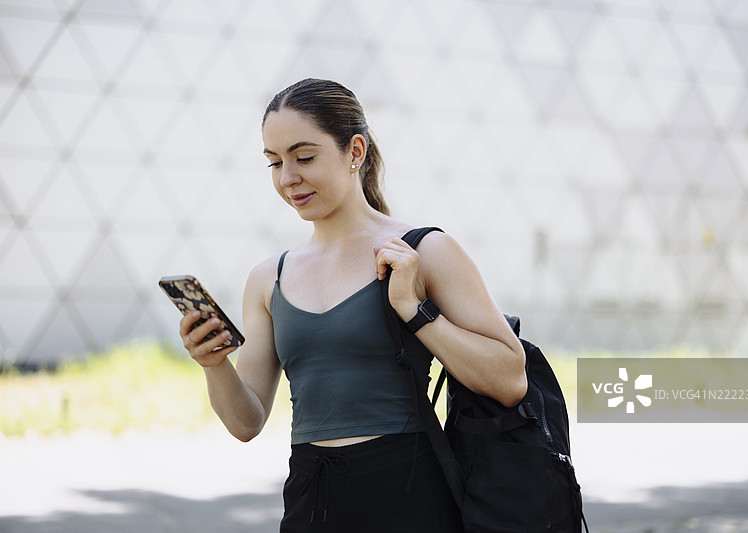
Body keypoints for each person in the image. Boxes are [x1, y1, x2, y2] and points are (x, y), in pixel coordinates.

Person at [179, 78, 527, 532]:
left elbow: (510, 378)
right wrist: (213, 364)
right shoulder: (269, 278)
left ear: (355, 152)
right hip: (311, 493)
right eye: (274, 162)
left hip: (409, 492)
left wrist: (414, 310)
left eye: (304, 157)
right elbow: (246, 423)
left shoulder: (424, 251)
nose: (287, 178)